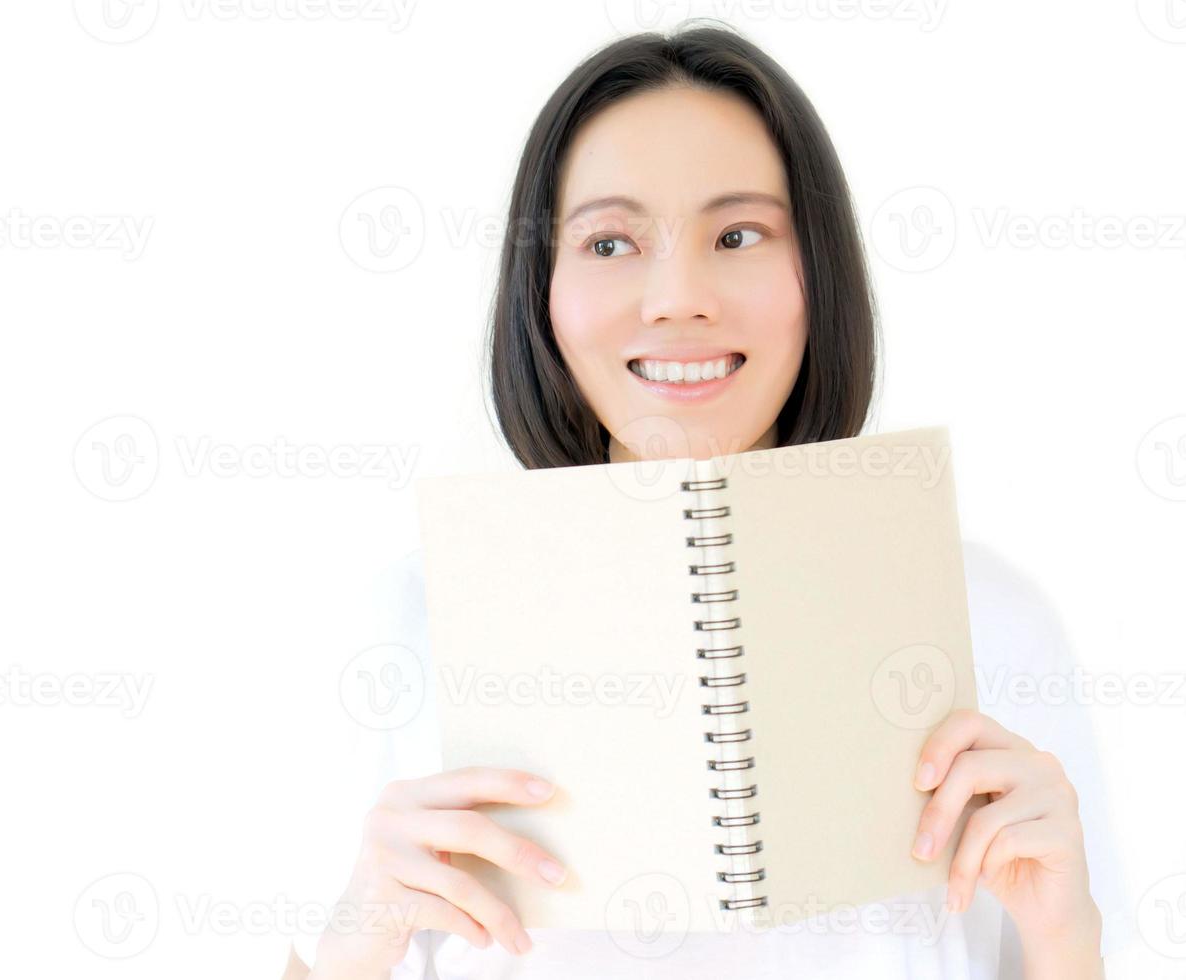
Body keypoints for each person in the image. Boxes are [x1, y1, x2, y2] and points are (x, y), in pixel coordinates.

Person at [284, 22, 1131, 980]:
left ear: (818, 274)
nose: (677, 296)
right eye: (610, 241)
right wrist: (356, 938)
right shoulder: (401, 621)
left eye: (738, 235)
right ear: (542, 291)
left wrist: (1067, 941)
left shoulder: (991, 617)